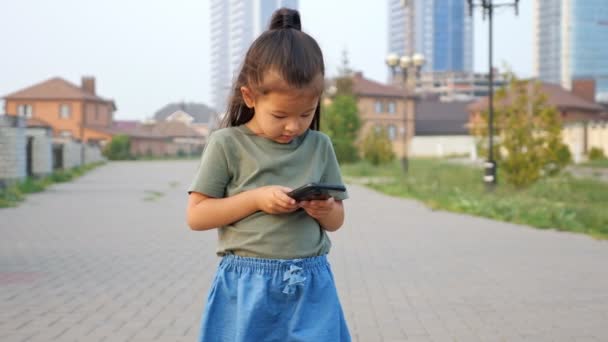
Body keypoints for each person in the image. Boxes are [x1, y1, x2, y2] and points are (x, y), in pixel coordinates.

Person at [186, 7, 351, 342]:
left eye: (306, 113)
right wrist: (256, 199)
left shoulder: (320, 146)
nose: (293, 126)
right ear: (250, 96)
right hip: (248, 284)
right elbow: (198, 216)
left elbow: (336, 221)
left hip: (311, 283)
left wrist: (326, 210)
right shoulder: (227, 144)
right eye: (280, 115)